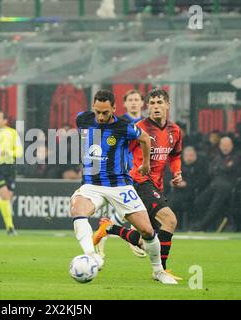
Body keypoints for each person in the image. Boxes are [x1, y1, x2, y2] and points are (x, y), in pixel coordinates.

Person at [71, 89, 177, 284]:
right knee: (78, 210)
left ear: (114, 108)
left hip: (120, 185)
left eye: (105, 112)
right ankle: (90, 255)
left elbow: (144, 138)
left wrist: (145, 163)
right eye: (97, 112)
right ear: (93, 107)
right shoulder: (83, 119)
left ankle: (158, 271)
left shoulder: (124, 127)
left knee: (147, 231)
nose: (101, 117)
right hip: (92, 184)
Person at [94, 89, 145, 256]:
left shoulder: (146, 123)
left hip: (142, 168)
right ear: (123, 104)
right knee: (131, 206)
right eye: (130, 99)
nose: (133, 102)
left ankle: (109, 231)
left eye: (136, 99)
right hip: (124, 170)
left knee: (136, 206)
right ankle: (116, 233)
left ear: (142, 103)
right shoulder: (118, 122)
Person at [193, 136, 241, 231]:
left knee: (215, 205)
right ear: (220, 146)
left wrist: (220, 169)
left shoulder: (238, 156)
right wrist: (223, 168)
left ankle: (202, 226)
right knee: (199, 201)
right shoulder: (216, 157)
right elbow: (211, 171)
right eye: (223, 145)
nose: (225, 147)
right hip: (214, 184)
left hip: (228, 185)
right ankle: (213, 222)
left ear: (232, 146)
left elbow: (232, 170)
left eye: (227, 145)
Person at [167, 146, 209, 230]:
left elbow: (203, 181)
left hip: (194, 193)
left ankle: (174, 225)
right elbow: (168, 177)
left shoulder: (201, 167)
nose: (189, 158)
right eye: (187, 156)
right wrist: (171, 182)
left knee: (174, 201)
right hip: (176, 191)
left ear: (195, 156)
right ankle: (168, 224)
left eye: (191, 156)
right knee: (167, 201)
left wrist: (186, 184)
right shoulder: (178, 165)